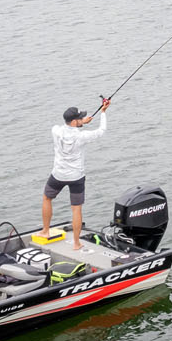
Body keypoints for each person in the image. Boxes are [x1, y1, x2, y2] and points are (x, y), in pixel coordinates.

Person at [42, 97, 111, 249]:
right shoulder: (82, 136)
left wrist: (81, 122)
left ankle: (45, 231)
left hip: (58, 175)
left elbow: (65, 127)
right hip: (76, 177)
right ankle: (76, 243)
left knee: (47, 198)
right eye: (80, 118)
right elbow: (101, 131)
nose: (82, 119)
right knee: (76, 208)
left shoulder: (56, 131)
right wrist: (103, 112)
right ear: (74, 122)